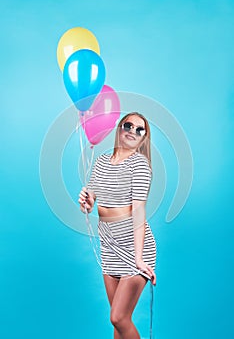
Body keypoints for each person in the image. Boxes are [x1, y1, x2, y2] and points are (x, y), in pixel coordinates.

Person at [78, 112, 157, 339]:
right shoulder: (102, 161)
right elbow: (92, 201)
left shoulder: (140, 165)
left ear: (144, 138)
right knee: (119, 323)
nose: (133, 131)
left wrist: (139, 258)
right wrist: (86, 199)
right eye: (128, 125)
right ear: (119, 128)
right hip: (109, 246)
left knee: (118, 317)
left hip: (134, 248)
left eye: (140, 129)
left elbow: (139, 210)